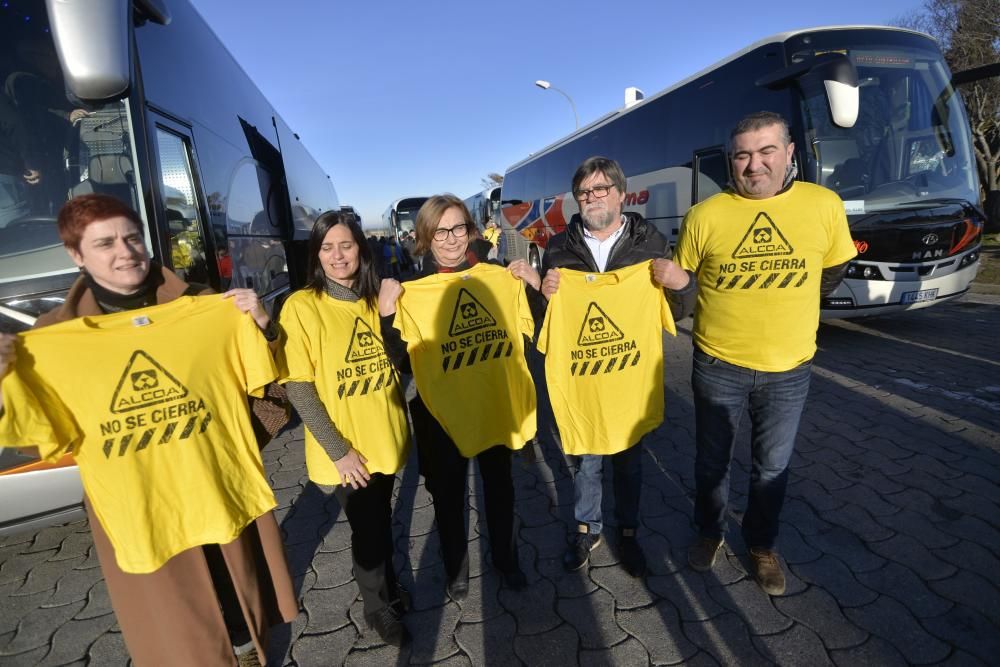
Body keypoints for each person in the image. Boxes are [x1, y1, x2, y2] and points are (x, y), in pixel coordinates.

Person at [0, 193, 296, 666]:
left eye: (132, 237)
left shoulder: (204, 305)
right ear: (76, 255)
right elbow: (42, 436)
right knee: (182, 625)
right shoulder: (49, 338)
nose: (125, 252)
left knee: (244, 598)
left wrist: (261, 325)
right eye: (105, 244)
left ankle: (252, 648)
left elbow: (272, 388)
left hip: (215, 481)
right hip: (142, 502)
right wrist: (7, 380)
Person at [673, 111, 857, 595]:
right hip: (717, 365)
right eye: (742, 155)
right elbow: (684, 288)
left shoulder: (824, 205)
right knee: (711, 463)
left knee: (772, 466)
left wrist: (788, 302)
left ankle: (761, 544)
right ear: (730, 161)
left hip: (790, 368)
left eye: (766, 151)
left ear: (790, 152)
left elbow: (833, 268)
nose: (754, 165)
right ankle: (709, 532)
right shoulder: (704, 216)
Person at [378, 194, 541, 600]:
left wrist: (534, 289)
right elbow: (403, 363)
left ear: (471, 230)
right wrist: (386, 317)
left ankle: (505, 558)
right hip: (440, 413)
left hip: (493, 401)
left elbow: (534, 330)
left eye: (458, 228)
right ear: (425, 238)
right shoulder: (412, 291)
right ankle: (456, 567)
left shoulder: (499, 276)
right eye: (440, 231)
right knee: (448, 494)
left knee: (500, 487)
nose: (451, 239)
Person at [539, 156, 695, 576]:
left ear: (621, 194)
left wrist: (682, 285)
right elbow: (545, 323)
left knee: (630, 461)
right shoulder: (558, 248)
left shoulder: (650, 242)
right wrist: (545, 292)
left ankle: (628, 533)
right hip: (585, 384)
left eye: (600, 189)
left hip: (629, 384)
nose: (591, 198)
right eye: (584, 192)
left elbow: (677, 310)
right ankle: (587, 528)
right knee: (587, 462)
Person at [277, 211, 412, 646]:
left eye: (346, 245)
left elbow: (400, 365)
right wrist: (339, 450)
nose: (338, 256)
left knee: (380, 518)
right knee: (368, 530)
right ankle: (378, 609)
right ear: (315, 255)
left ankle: (389, 590)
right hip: (348, 450)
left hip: (386, 436)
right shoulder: (301, 307)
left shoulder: (376, 298)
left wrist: (389, 316)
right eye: (327, 247)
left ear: (361, 248)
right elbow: (298, 387)